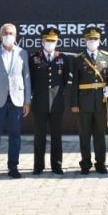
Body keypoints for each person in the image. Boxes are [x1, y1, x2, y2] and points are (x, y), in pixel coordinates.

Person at [0, 23, 30, 181]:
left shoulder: (23, 53)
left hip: (16, 100)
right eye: (5, 33)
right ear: (0, 35)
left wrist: (27, 101)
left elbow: (26, 78)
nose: (8, 36)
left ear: (16, 36)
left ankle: (13, 168)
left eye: (11, 33)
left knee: (15, 136)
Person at [69, 25, 108, 175]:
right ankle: (85, 164)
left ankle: (100, 163)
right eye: (90, 39)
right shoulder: (78, 59)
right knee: (84, 135)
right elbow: (74, 83)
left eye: (95, 39)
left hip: (101, 102)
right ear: (85, 40)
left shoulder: (105, 57)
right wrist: (74, 103)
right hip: (84, 103)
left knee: (100, 135)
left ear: (99, 40)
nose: (92, 41)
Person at [28, 27, 70, 175]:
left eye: (53, 41)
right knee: (39, 137)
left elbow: (66, 80)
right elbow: (30, 79)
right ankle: (38, 166)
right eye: (47, 40)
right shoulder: (34, 58)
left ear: (57, 42)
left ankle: (57, 165)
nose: (50, 43)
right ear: (42, 41)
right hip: (39, 103)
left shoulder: (63, 58)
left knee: (56, 137)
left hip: (56, 103)